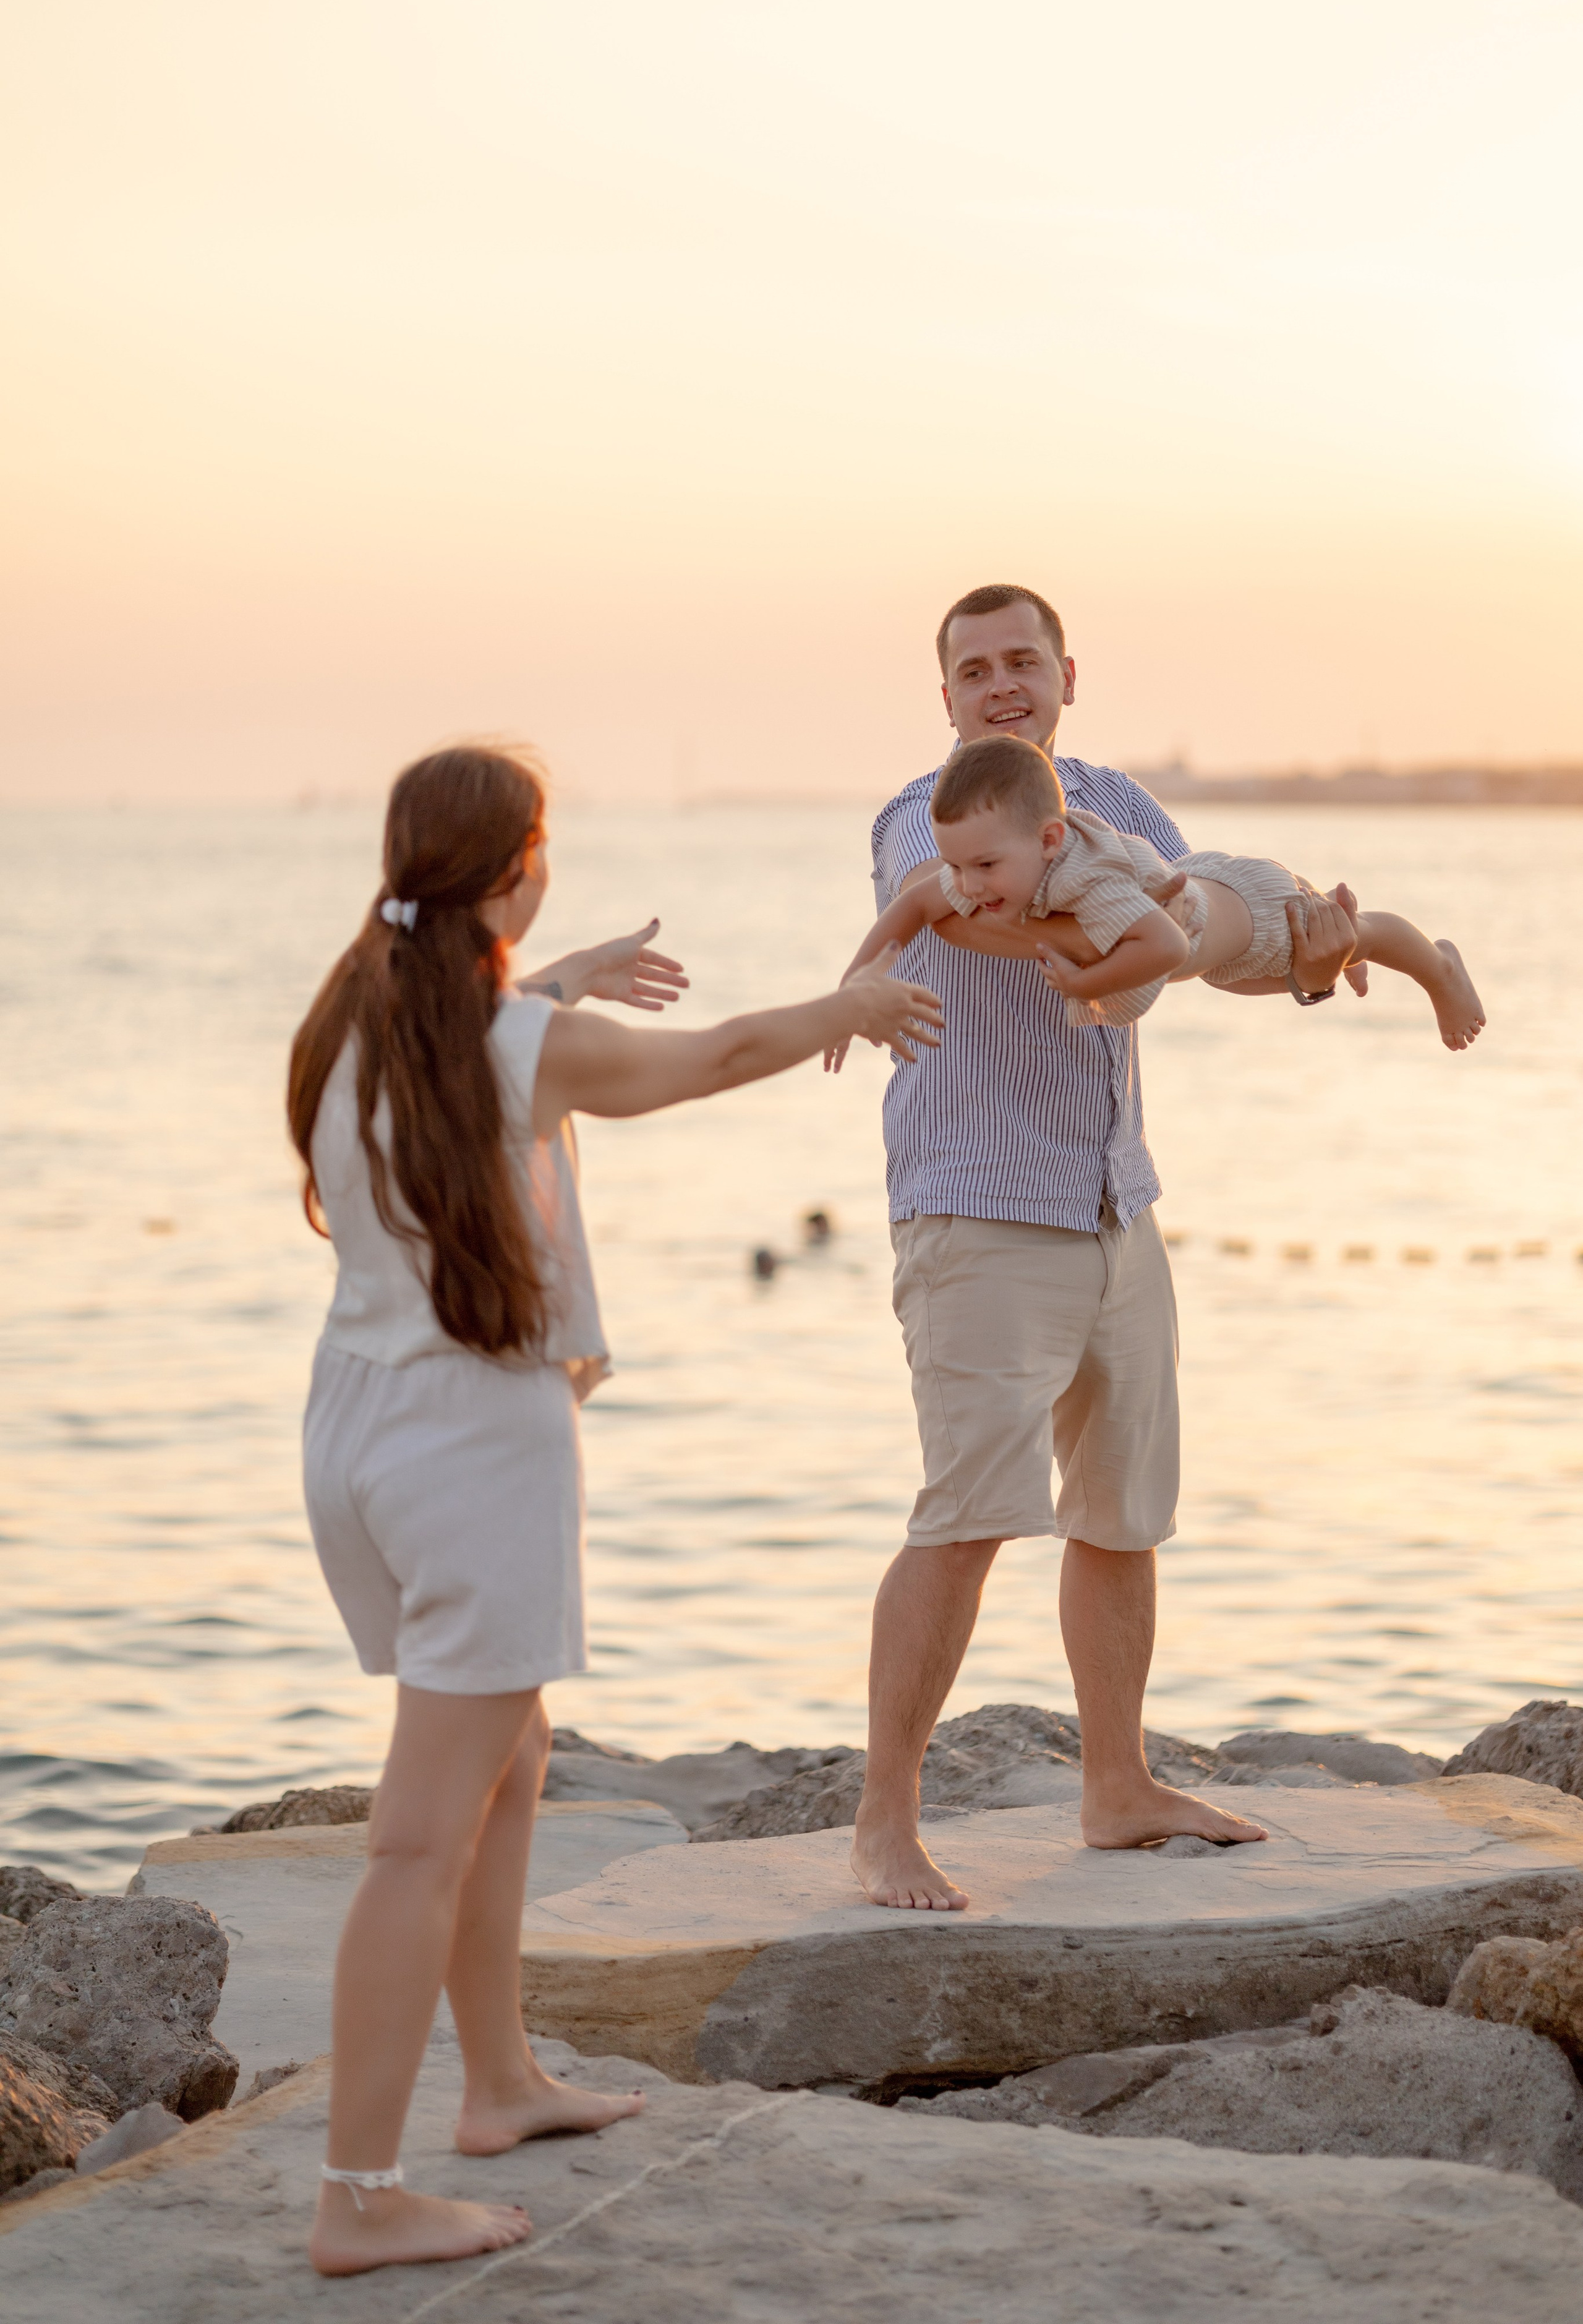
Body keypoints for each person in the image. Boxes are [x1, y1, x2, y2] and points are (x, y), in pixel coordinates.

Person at [286, 741, 941, 2276]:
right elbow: (705, 1060)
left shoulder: (351, 1013)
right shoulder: (516, 1043)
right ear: (516, 863)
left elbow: (484, 1036)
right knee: (414, 1839)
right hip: (473, 1448)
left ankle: (500, 2081)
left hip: (355, 1428)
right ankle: (357, 2195)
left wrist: (547, 978)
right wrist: (845, 1007)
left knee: (507, 1760)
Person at [847, 583, 1367, 1913]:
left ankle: (1116, 1785)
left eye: (1022, 660)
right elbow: (977, 917)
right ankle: (882, 1827)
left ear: (1067, 672)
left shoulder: (1119, 805)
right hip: (977, 1208)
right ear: (947, 694)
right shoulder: (932, 809)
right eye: (975, 667)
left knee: (1121, 1518)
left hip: (1110, 1204)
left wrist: (1307, 951)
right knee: (964, 1523)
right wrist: (1130, 944)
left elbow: (1195, 935)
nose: (1001, 682)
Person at [835, 736, 1484, 1045]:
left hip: (1252, 909)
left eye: (982, 868)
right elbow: (917, 902)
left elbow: (1167, 946)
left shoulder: (1087, 881)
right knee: (1236, 977)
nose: (969, 887)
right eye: (958, 868)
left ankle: (1438, 967)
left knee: (1362, 930)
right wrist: (851, 988)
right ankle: (1352, 956)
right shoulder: (985, 856)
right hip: (1211, 923)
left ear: (1050, 841)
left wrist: (1082, 985)